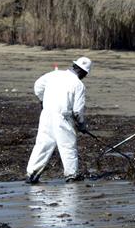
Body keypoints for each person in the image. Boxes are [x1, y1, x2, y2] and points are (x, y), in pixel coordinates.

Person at [26, 56, 90, 184]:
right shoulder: (79, 85)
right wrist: (82, 124)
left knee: (43, 144)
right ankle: (71, 175)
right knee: (67, 146)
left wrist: (42, 100)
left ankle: (32, 173)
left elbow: (38, 86)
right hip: (63, 117)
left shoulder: (53, 75)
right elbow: (77, 111)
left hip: (47, 114)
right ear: (84, 72)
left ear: (74, 66)